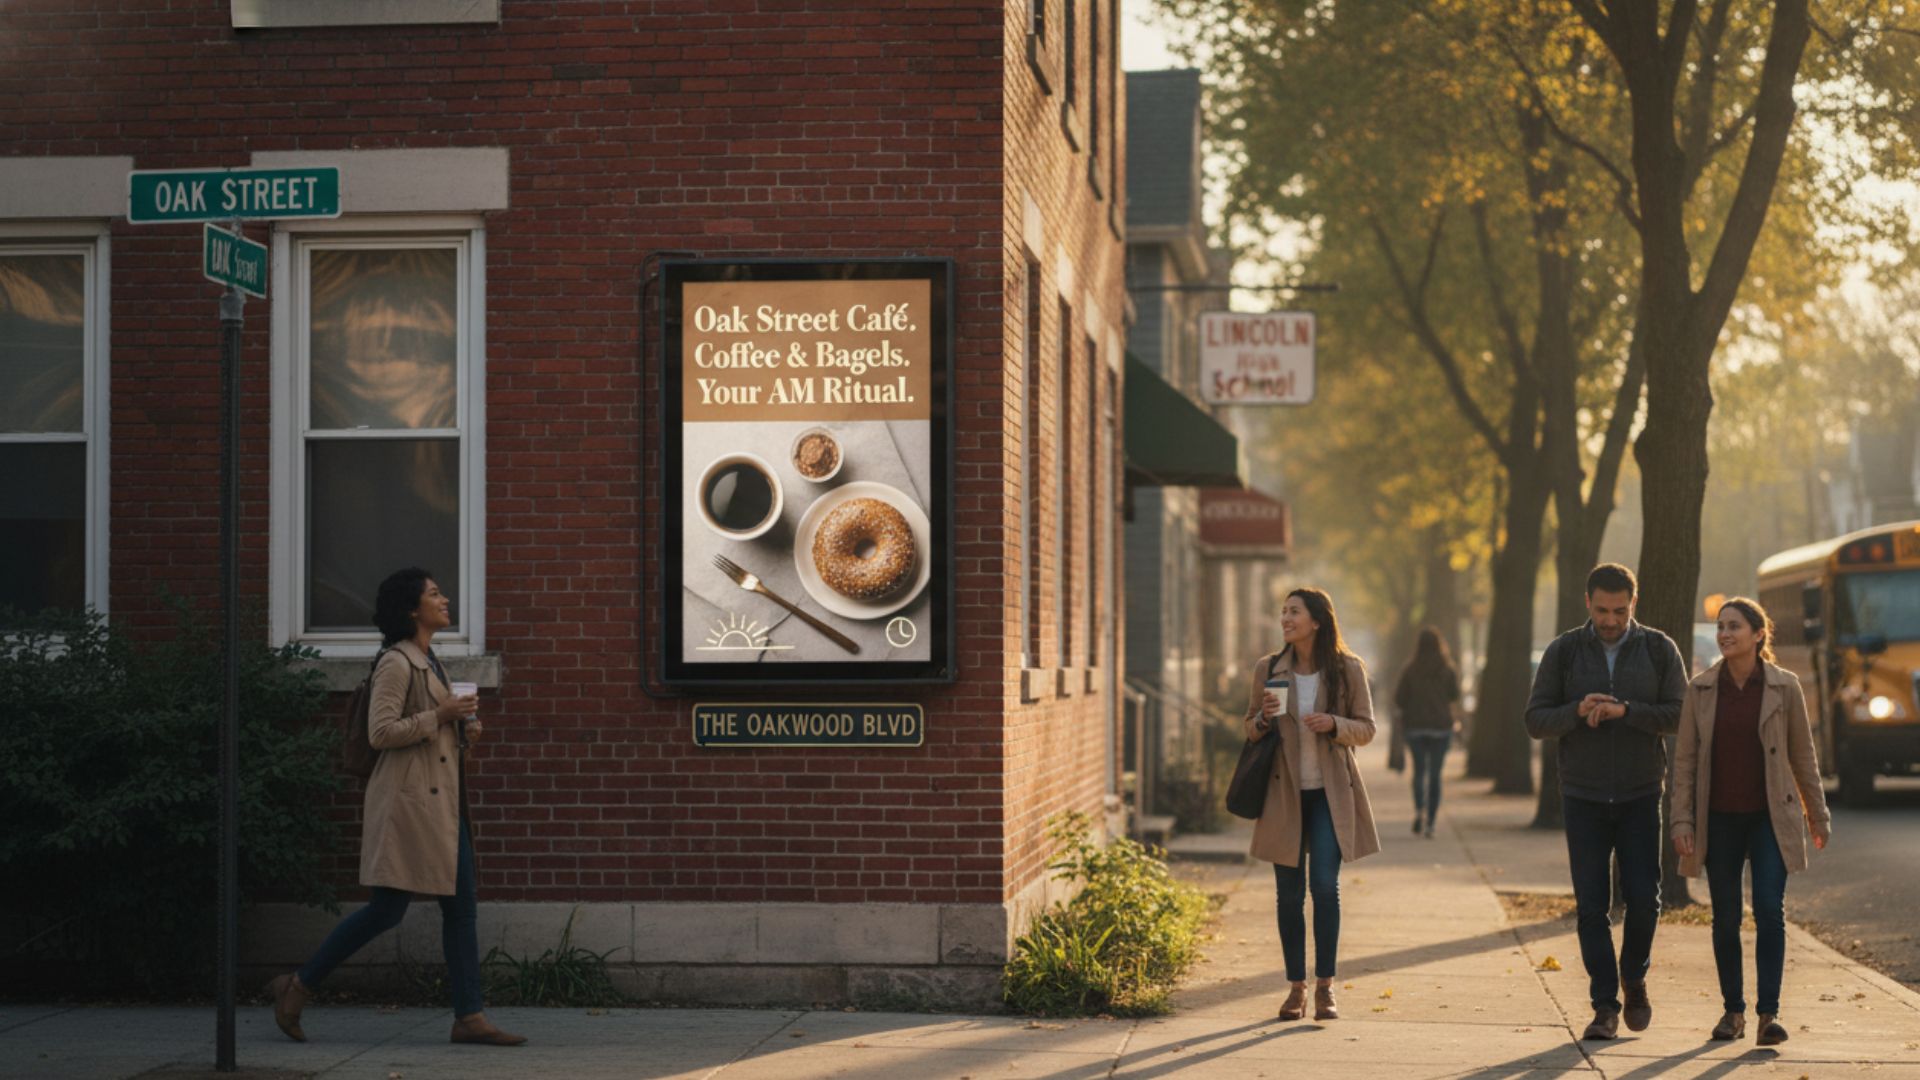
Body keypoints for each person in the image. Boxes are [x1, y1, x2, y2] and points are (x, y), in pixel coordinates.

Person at [265, 568, 526, 1047]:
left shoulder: (432, 661)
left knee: (461, 912)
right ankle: (297, 986)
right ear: (412, 609)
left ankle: (469, 1017)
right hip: (410, 806)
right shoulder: (396, 663)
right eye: (434, 594)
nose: (445, 599)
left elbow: (430, 729)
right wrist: (440, 716)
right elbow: (380, 733)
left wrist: (463, 729)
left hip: (443, 807)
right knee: (386, 911)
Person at [1524, 563, 1685, 1041]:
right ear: (1587, 604)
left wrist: (1627, 711)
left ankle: (1633, 977)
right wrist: (1575, 711)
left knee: (1644, 899)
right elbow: (1535, 720)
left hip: (1640, 793)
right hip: (1583, 794)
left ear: (1632, 605)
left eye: (1618, 611)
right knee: (1592, 906)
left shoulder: (1658, 648)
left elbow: (1680, 714)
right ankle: (1604, 1005)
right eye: (1601, 611)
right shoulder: (1565, 651)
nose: (1610, 620)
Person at [1671, 597, 1831, 1046]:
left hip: (1768, 817)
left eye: (1734, 626)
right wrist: (1682, 821)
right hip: (1718, 819)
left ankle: (1768, 1015)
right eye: (1721, 626)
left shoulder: (1785, 687)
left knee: (1768, 909)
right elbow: (1683, 761)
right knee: (1725, 917)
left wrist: (1817, 815)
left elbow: (1804, 756)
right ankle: (1733, 1013)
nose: (1724, 633)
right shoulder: (1701, 688)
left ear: (1758, 635)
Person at [1241, 587, 1381, 1023]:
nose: (1285, 618)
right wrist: (1264, 717)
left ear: (1317, 621)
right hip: (1283, 795)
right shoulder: (1269, 668)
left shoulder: (1346, 669)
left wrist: (1333, 723)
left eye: (1294, 612)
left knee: (1324, 886)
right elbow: (1249, 729)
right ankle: (1295, 988)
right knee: (1287, 896)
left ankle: (1325, 986)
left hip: (1329, 794)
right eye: (1283, 611)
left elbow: (1367, 728)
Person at [1395, 627, 1462, 839]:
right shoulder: (1448, 668)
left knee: (1419, 772)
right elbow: (1455, 695)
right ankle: (1431, 822)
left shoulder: (1410, 669)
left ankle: (1419, 811)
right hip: (1441, 728)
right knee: (1435, 775)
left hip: (1415, 727)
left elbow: (1399, 698)